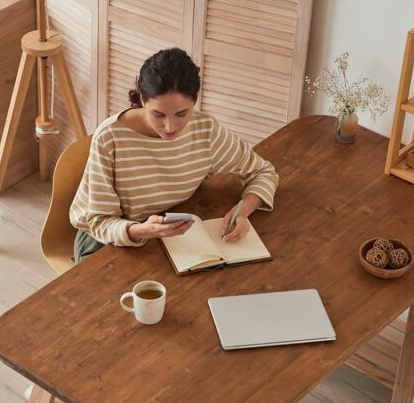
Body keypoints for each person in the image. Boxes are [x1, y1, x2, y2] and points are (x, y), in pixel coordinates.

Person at [69, 48, 279, 263]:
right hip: (109, 241)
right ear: (142, 99)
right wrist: (142, 230)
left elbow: (263, 172)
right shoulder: (110, 139)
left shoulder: (205, 130)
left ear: (194, 102)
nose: (170, 127)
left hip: (174, 237)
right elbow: (98, 221)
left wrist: (241, 212)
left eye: (182, 114)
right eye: (158, 114)